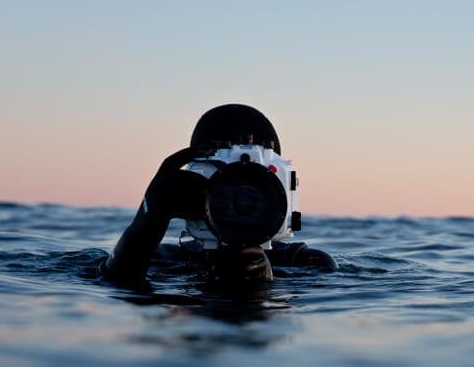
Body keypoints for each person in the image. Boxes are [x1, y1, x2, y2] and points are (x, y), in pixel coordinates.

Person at [101, 104, 336, 286]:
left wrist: (262, 282)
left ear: (281, 185)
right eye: (223, 181)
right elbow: (116, 280)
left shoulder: (308, 263)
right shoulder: (161, 258)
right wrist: (149, 218)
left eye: (252, 183)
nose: (238, 198)